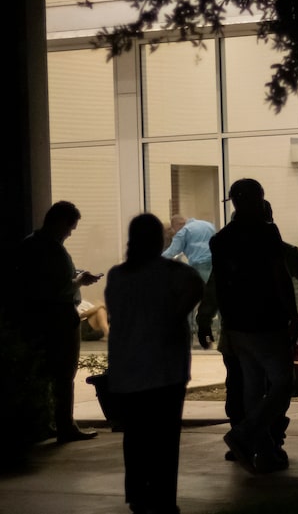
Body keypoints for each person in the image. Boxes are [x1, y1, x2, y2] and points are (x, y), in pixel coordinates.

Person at [105, 213, 204, 514]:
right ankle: (162, 498)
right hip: (165, 369)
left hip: (127, 369)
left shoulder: (117, 276)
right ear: (160, 240)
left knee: (135, 438)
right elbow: (196, 290)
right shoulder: (176, 274)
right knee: (164, 439)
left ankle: (137, 495)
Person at [196, 199, 298, 462]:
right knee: (276, 389)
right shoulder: (276, 248)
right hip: (269, 332)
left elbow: (213, 290)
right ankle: (259, 440)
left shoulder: (225, 249)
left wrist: (203, 321)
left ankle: (249, 438)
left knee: (241, 389)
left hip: (234, 337)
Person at [12, 200, 102, 443]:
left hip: (35, 316)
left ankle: (47, 422)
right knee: (64, 372)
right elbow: (58, 286)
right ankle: (65, 425)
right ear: (60, 222)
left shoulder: (29, 244)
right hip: (59, 316)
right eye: (70, 227)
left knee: (44, 371)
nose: (70, 232)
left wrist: (75, 274)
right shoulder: (52, 249)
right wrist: (79, 280)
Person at [162, 214, 216, 283]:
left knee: (201, 288)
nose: (175, 232)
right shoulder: (208, 225)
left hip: (200, 264)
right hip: (214, 262)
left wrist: (156, 260)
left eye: (174, 229)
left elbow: (172, 251)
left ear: (178, 225)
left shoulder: (184, 231)